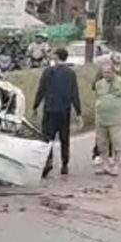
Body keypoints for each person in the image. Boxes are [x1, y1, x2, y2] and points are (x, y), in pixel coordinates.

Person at [32, 47, 83, 177]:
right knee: (64, 137)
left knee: (48, 137)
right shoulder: (71, 73)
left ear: (56, 56)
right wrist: (78, 112)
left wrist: (35, 106)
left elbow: (41, 89)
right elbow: (74, 93)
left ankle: (48, 161)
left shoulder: (48, 72)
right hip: (64, 109)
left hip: (50, 108)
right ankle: (64, 164)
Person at [93, 62, 121, 177]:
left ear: (114, 72)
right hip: (101, 119)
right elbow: (98, 98)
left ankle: (116, 165)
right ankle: (105, 164)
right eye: (104, 72)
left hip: (116, 119)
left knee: (117, 142)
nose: (106, 75)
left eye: (108, 72)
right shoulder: (99, 84)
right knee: (101, 143)